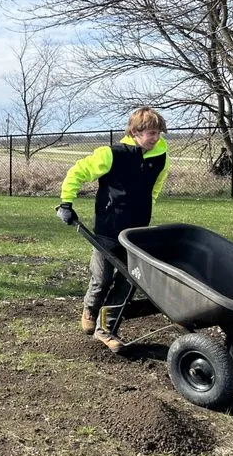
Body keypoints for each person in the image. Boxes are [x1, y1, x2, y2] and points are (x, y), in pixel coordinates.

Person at [55, 108, 169, 353]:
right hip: (108, 227)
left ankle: (106, 328)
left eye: (159, 133)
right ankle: (90, 308)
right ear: (135, 131)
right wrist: (66, 203)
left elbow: (155, 187)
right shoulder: (111, 154)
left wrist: (147, 207)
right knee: (102, 278)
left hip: (136, 231)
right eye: (151, 133)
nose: (156, 138)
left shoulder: (161, 156)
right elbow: (77, 172)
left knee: (130, 279)